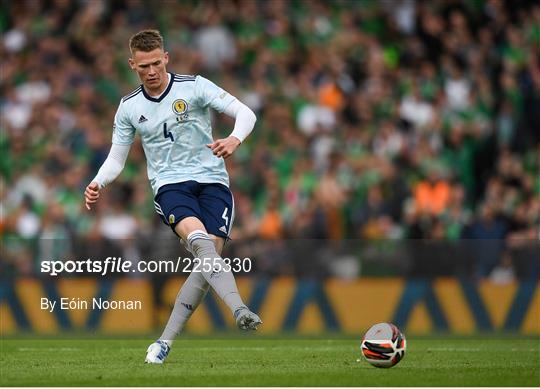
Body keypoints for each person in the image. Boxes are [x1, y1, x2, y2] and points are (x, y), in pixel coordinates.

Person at [83, 29, 261, 364]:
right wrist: (97, 182)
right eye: (143, 66)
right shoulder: (128, 108)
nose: (151, 71)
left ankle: (163, 342)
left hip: (214, 184)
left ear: (166, 58)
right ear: (132, 65)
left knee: (206, 265)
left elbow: (246, 113)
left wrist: (235, 139)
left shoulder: (194, 86)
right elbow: (117, 158)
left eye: (155, 63)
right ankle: (240, 309)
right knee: (203, 245)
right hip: (170, 186)